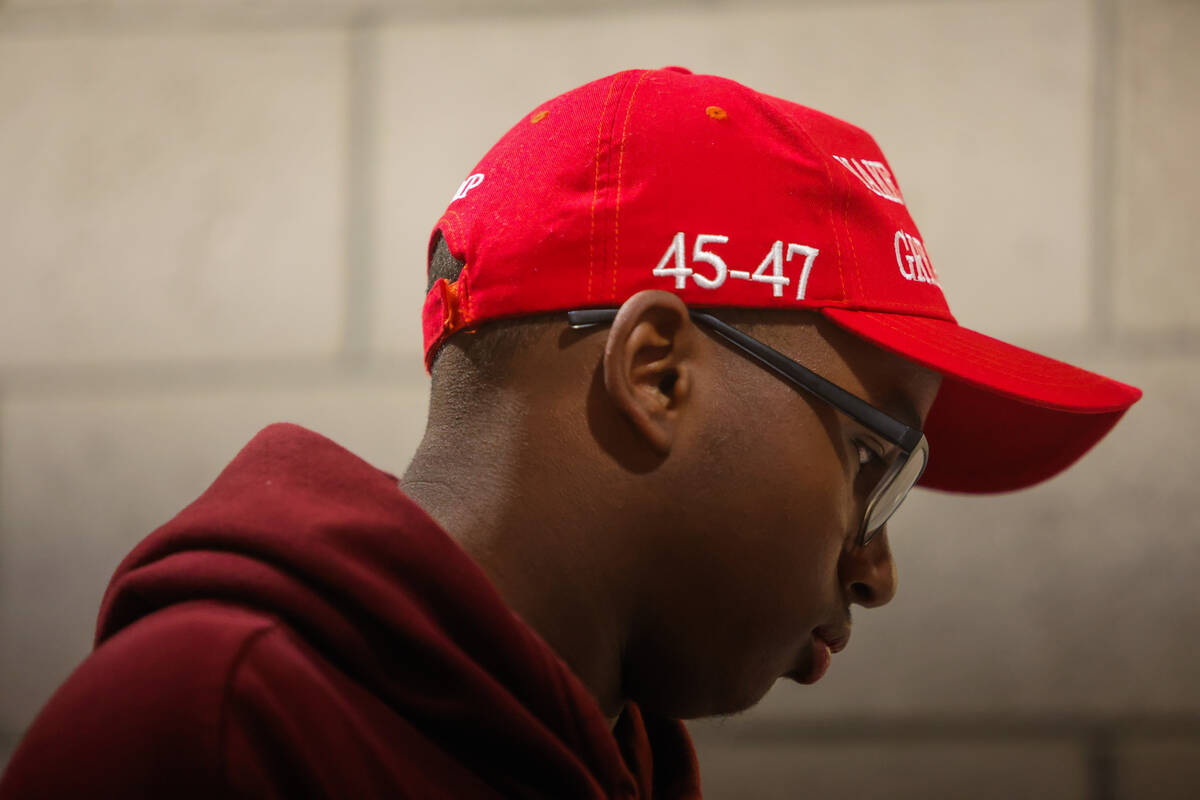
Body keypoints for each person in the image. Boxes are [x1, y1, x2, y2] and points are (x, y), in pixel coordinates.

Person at [0, 67, 1141, 799]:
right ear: (656, 372)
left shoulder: (608, 764)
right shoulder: (208, 731)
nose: (878, 569)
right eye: (870, 461)